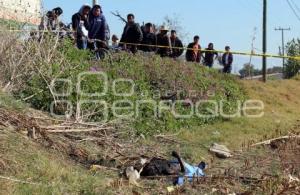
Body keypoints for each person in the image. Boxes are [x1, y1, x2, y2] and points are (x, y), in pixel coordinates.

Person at [140, 151, 205, 186]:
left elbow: (182, 177)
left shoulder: (196, 172)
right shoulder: (194, 170)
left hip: (177, 174)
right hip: (175, 172)